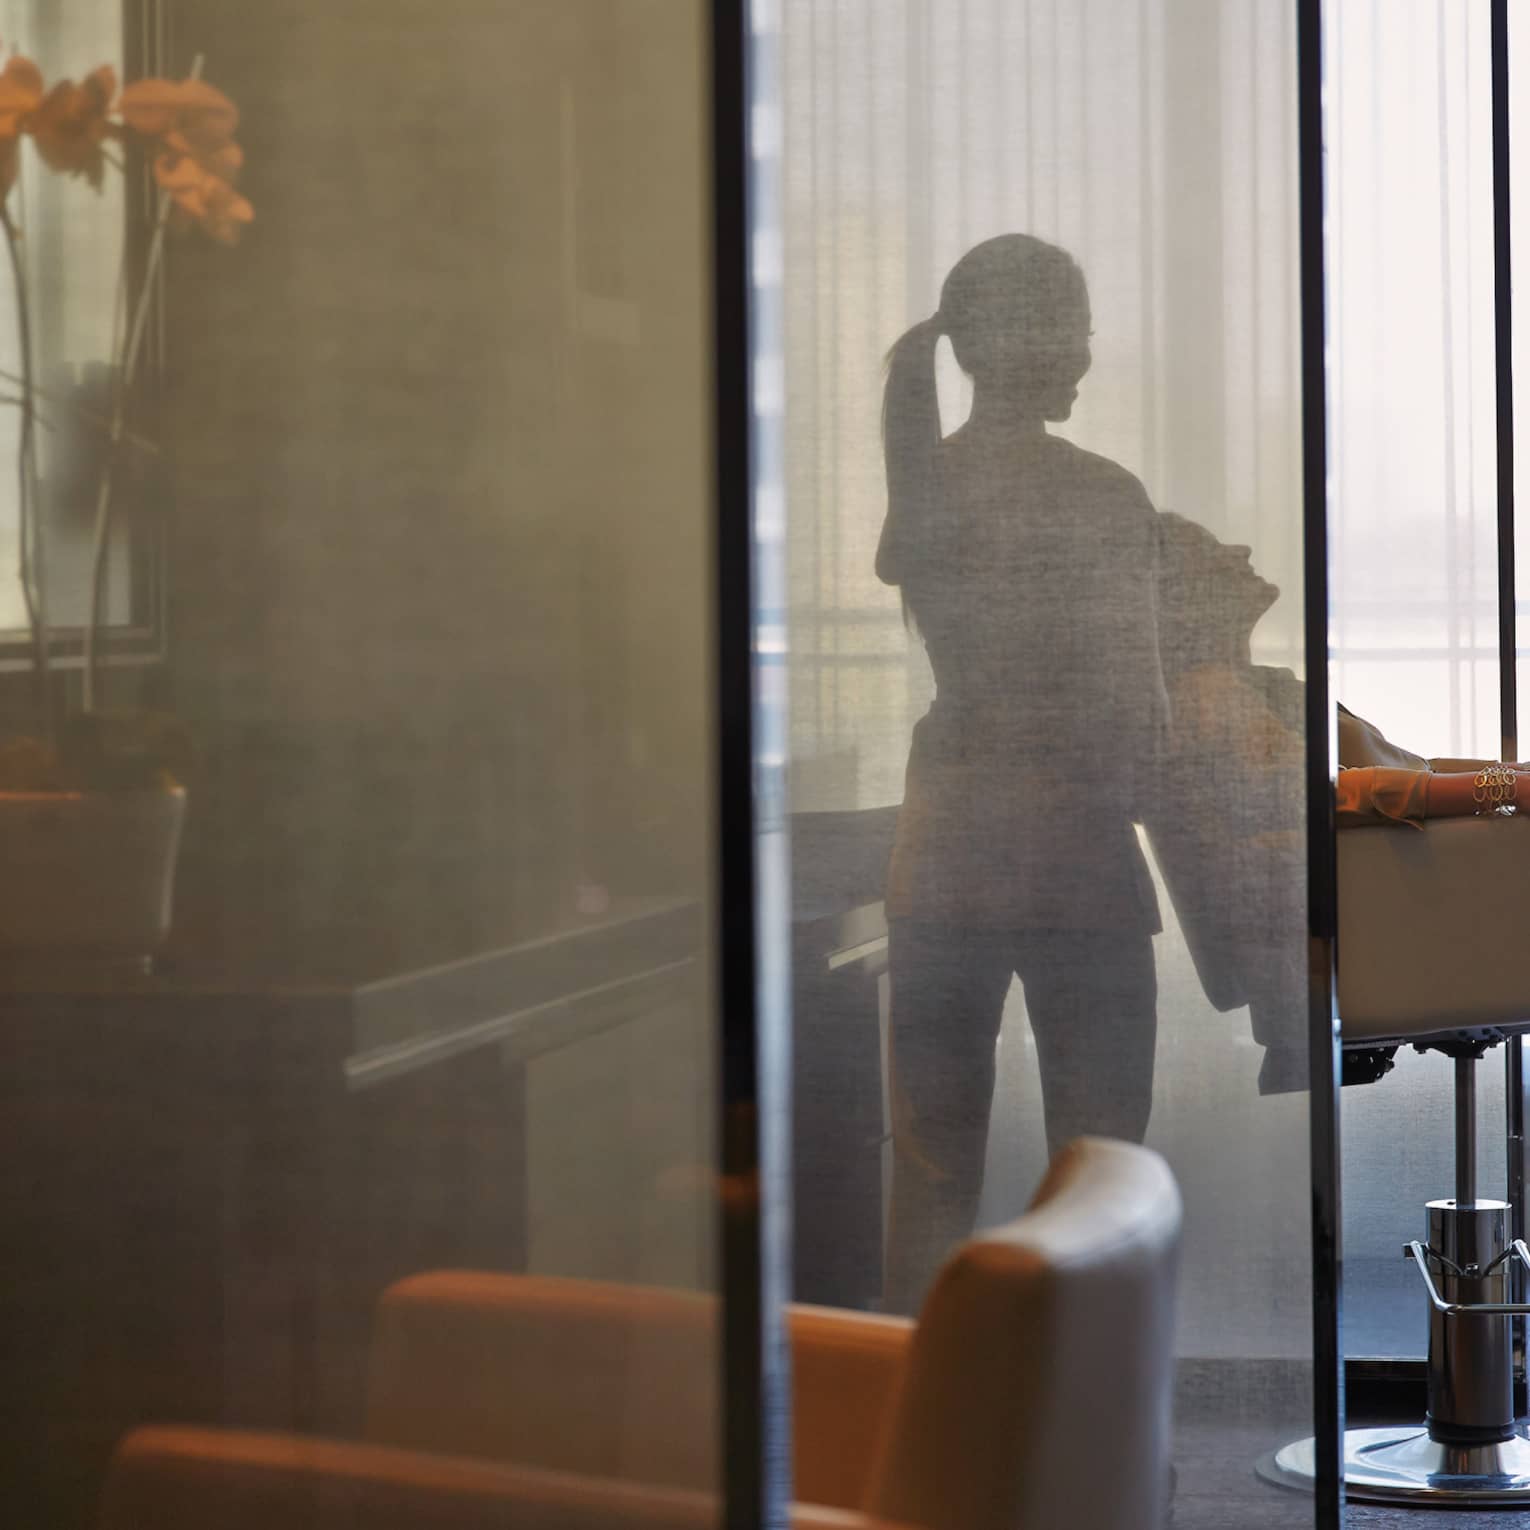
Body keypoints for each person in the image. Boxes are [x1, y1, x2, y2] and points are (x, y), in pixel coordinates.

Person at [876, 234, 1168, 1313]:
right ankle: (1081, 1436)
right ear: (1033, 342)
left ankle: (920, 1429)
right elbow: (1136, 709)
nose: (1088, 357)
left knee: (931, 1165)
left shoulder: (925, 484)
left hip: (944, 850)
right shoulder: (1100, 497)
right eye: (1079, 332)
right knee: (1098, 1179)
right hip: (1073, 853)